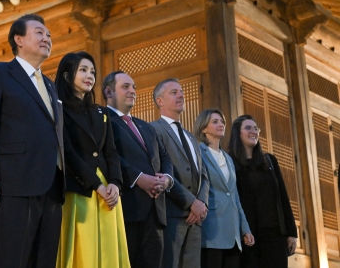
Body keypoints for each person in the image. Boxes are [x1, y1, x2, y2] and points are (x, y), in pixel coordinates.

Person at [0, 13, 64, 268]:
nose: (47, 38)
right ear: (19, 39)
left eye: (49, 35)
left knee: (44, 261)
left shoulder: (49, 84)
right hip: (14, 183)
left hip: (51, 186)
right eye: (39, 33)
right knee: (13, 259)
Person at [55, 53, 129, 268]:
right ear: (68, 76)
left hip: (108, 193)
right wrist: (97, 186)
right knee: (83, 252)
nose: (90, 76)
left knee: (109, 253)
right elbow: (67, 153)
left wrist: (115, 183)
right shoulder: (59, 109)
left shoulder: (101, 111)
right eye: (83, 70)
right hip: (80, 189)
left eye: (93, 72)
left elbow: (112, 152)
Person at [103, 71, 174, 268]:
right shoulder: (102, 120)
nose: (133, 91)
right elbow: (108, 156)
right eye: (125, 87)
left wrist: (166, 179)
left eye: (133, 86)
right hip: (126, 208)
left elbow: (165, 157)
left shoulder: (146, 127)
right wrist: (138, 178)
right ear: (109, 92)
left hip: (155, 211)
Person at [149, 78, 209, 268]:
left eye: (181, 91)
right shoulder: (153, 130)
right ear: (160, 101)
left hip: (196, 218)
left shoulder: (191, 137)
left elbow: (204, 175)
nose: (181, 95)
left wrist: (202, 204)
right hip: (172, 215)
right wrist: (191, 202)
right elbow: (160, 173)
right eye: (174, 92)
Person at [228, 114, 297, 267]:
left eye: (255, 128)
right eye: (248, 128)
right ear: (237, 134)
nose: (253, 131)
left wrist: (292, 232)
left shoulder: (269, 160)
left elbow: (283, 197)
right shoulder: (230, 162)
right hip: (248, 234)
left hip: (275, 234)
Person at [193, 109, 254, 268]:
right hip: (211, 228)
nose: (221, 124)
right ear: (204, 128)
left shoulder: (227, 158)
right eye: (215, 121)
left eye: (222, 122)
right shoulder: (198, 152)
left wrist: (245, 229)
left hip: (232, 231)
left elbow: (234, 196)